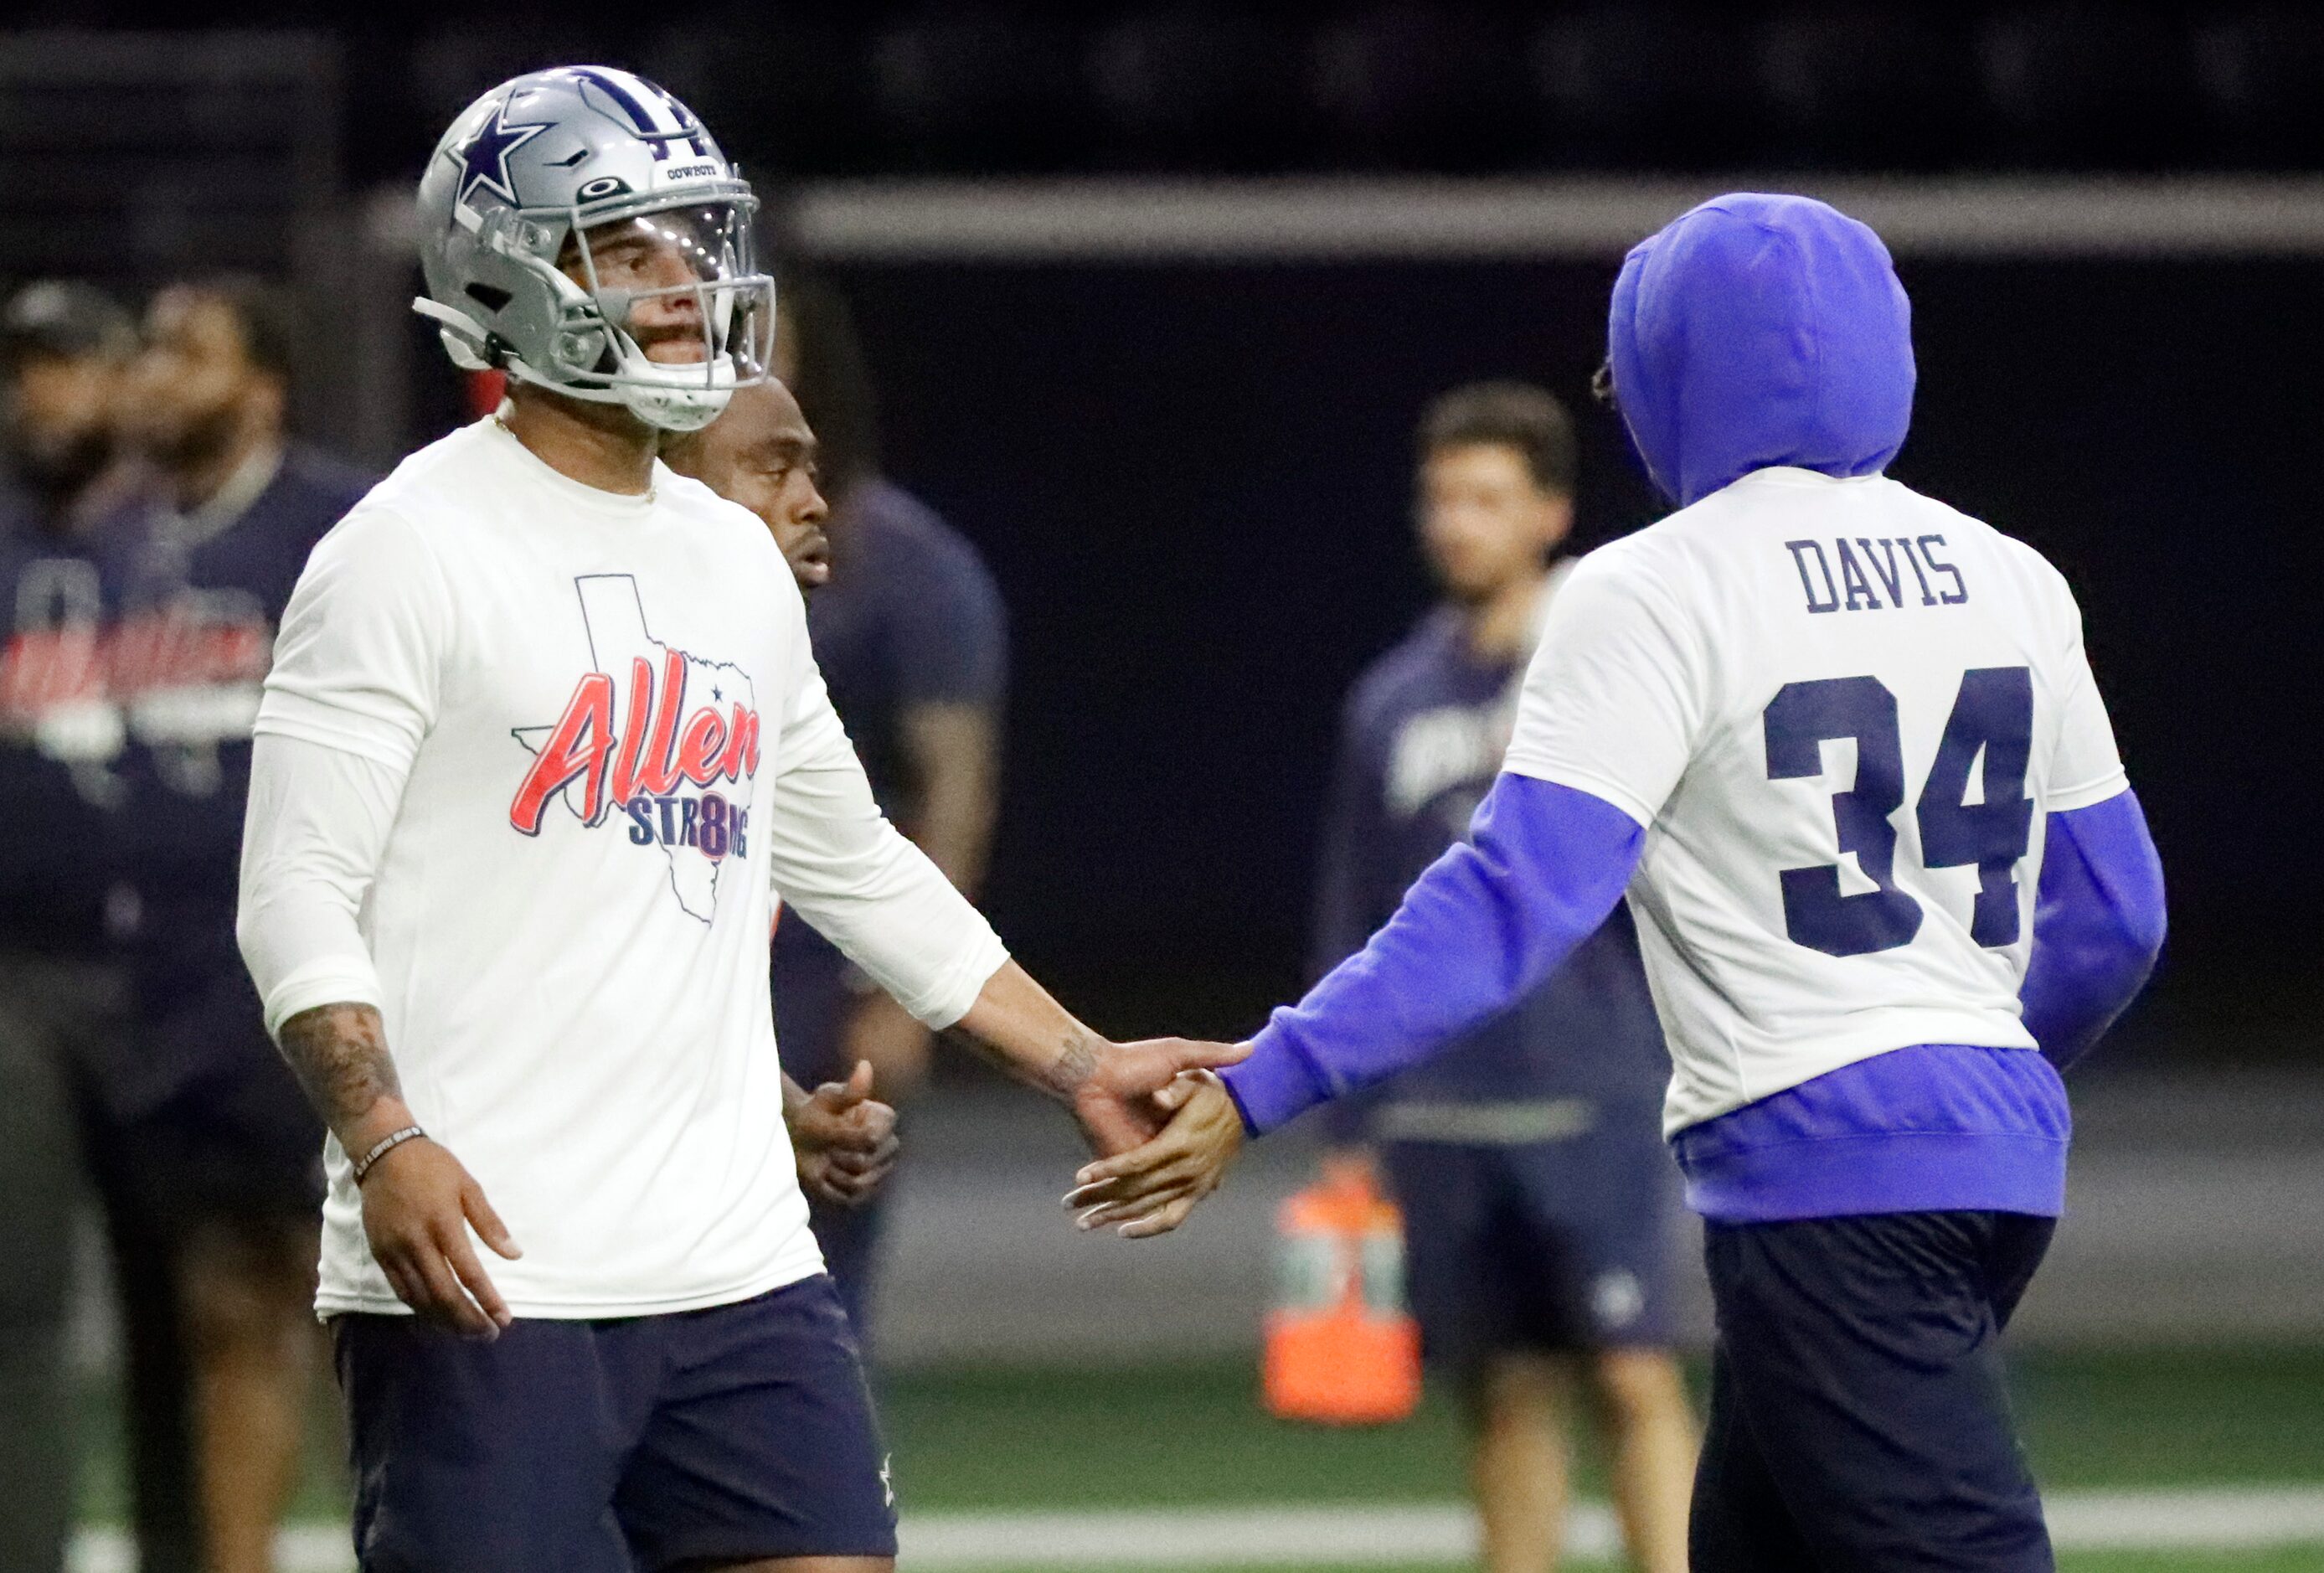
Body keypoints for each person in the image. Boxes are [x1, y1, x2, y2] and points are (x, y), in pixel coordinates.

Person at [1074, 193, 2167, 1572]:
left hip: (1824, 1173)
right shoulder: (2015, 574)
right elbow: (2118, 914)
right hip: (1993, 1155)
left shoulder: (1651, 588)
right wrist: (1980, 1069)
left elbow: (1515, 894)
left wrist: (1266, 1079)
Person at [233, 66, 1230, 1572]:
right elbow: (293, 891)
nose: (684, 284)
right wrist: (384, 1140)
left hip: (736, 1253)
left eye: (690, 243)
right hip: (498, 1255)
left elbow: (850, 855)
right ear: (509, 276)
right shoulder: (404, 549)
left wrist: (1078, 1057)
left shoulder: (731, 557)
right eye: (625, 248)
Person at [1311, 381, 1692, 1573]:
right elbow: (1354, 904)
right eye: (1439, 498)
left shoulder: (1611, 667)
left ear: (1549, 513)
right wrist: (1347, 1105)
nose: (1454, 522)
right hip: (1443, 1099)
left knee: (1632, 1374)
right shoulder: (1389, 700)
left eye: (1484, 497)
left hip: (1594, 1084)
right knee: (1501, 1389)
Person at [89, 276, 375, 1573]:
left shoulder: (340, 531)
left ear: (262, 385)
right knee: (217, 1313)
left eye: (182, 350)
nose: (148, 374)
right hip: (173, 988)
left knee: (350, 1310)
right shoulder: (117, 539)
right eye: (148, 347)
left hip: (315, 981)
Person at [678, 273, 1008, 1346]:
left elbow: (951, 781)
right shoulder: (637, 551)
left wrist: (907, 993)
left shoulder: (898, 568)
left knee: (806, 1293)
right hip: (668, 932)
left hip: (815, 961)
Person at [0, 278, 175, 1573]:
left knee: (201, 1305)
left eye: (68, 367)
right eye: (26, 371)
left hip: (184, 978)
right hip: (19, 972)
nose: (42, 396)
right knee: (15, 1312)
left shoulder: (190, 546)